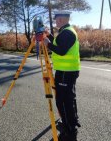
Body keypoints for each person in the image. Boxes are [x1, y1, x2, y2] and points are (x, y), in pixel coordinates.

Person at [43, 11, 81, 141]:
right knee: (68, 99)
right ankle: (70, 124)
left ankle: (69, 131)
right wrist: (49, 36)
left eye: (57, 20)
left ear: (62, 19)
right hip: (64, 71)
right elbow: (59, 44)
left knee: (64, 102)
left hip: (66, 72)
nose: (56, 22)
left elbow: (62, 50)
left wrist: (48, 44)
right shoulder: (65, 31)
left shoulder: (68, 32)